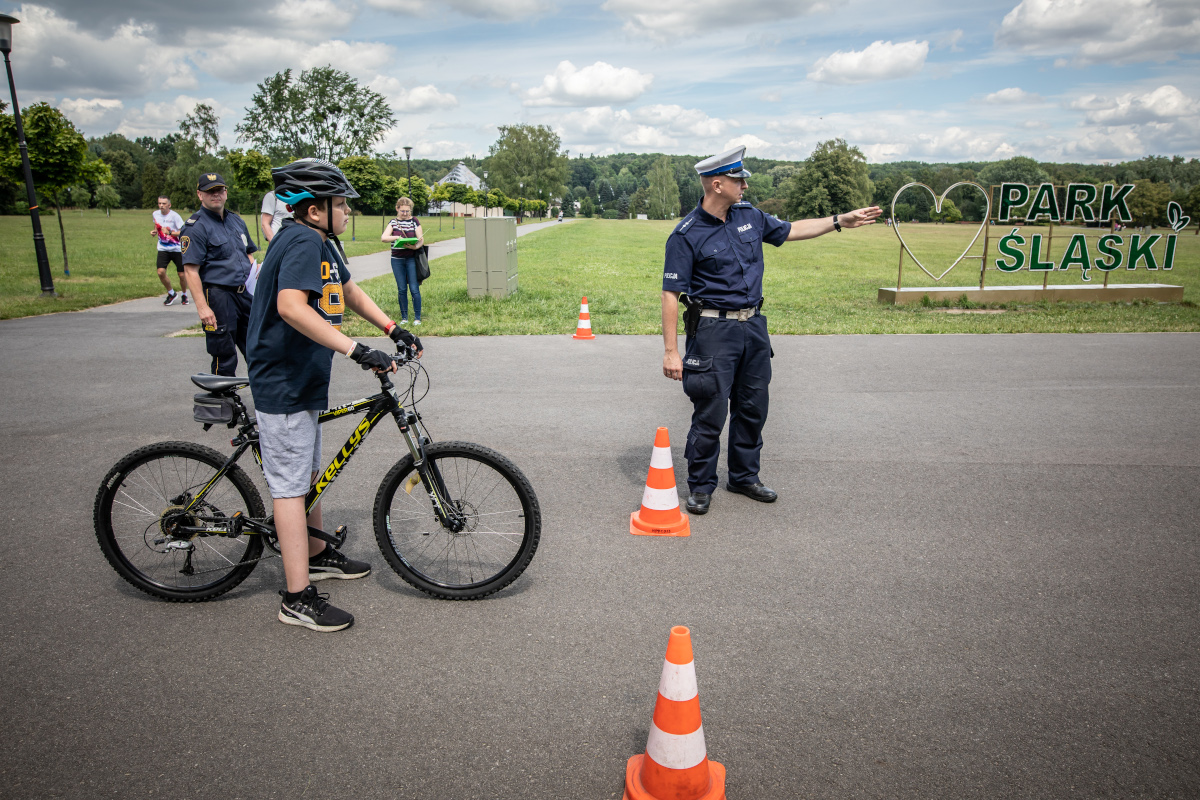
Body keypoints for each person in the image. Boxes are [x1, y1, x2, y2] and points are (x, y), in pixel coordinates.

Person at [247, 158, 422, 632]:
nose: (347, 211)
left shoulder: (321, 241)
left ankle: (317, 552)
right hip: (283, 380)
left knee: (307, 473)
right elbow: (290, 307)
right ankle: (296, 598)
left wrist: (391, 327)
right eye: (341, 204)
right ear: (313, 209)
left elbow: (346, 290)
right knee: (289, 487)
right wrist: (356, 349)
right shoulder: (301, 240)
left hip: (302, 376)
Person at [661, 145, 881, 515]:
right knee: (711, 413)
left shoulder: (749, 216)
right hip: (713, 330)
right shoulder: (686, 234)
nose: (745, 186)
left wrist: (839, 220)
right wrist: (671, 352)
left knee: (752, 408)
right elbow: (670, 294)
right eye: (738, 180)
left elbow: (793, 230)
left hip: (753, 327)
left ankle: (744, 477)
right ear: (717, 185)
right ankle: (700, 485)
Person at [181, 173, 258, 376]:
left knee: (258, 348)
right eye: (210, 191)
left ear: (226, 192)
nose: (216, 194)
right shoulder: (195, 227)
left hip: (244, 293)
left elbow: (248, 253)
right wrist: (203, 308)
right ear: (200, 194)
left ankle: (265, 393)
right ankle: (224, 395)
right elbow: (190, 270)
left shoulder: (236, 221)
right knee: (224, 354)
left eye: (219, 190)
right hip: (218, 296)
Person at [381, 197, 425, 325]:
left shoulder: (414, 221)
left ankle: (417, 318)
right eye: (402, 211)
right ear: (397, 209)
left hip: (411, 259)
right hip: (397, 259)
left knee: (414, 288)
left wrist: (414, 247)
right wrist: (396, 237)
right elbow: (384, 238)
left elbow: (421, 239)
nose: (405, 214)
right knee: (401, 289)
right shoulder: (393, 222)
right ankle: (404, 317)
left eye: (407, 211)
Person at [151, 195, 188, 306]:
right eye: (159, 203)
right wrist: (154, 231)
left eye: (164, 203)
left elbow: (184, 232)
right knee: (160, 272)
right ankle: (171, 293)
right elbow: (157, 225)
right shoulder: (155, 214)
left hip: (177, 249)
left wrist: (170, 233)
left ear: (169, 205)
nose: (161, 206)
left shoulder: (175, 216)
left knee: (181, 275)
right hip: (163, 248)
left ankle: (184, 294)